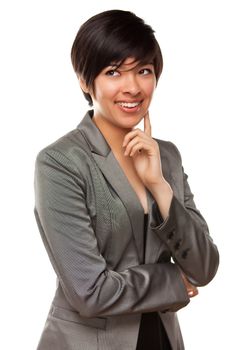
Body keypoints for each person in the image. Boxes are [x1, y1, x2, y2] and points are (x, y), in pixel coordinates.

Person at [34, 9, 219, 350]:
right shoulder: (60, 162)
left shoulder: (167, 157)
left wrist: (159, 186)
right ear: (84, 80)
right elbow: (89, 292)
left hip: (163, 339)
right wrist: (173, 280)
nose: (132, 87)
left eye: (144, 71)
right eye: (114, 72)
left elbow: (205, 266)